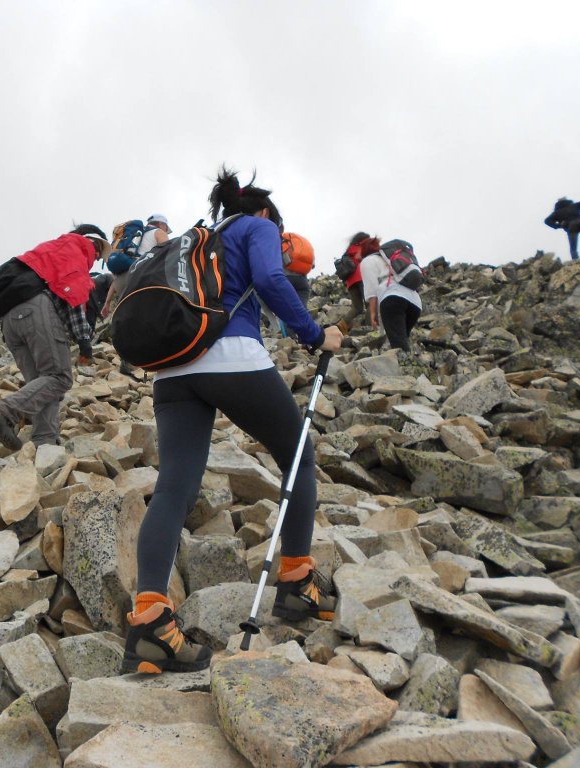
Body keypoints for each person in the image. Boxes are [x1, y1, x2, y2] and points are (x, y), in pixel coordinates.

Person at [120, 168, 343, 675]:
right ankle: (297, 584)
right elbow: (269, 279)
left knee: (174, 485)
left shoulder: (196, 240)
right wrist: (314, 335)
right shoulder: (256, 225)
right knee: (298, 458)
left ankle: (151, 623)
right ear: (266, 215)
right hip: (231, 355)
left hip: (173, 368)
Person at [0, 225, 110, 450]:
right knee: (60, 377)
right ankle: (4, 411)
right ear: (93, 242)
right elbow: (75, 293)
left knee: (41, 383)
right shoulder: (76, 248)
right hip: (36, 311)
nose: (96, 257)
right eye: (98, 251)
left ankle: (44, 442)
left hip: (9, 320)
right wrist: (84, 341)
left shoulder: (46, 251)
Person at [102, 214, 172, 377]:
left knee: (128, 322)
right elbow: (170, 254)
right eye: (166, 228)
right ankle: (156, 360)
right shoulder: (158, 232)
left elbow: (116, 279)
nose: (166, 231)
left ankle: (127, 362)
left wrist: (107, 302)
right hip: (142, 278)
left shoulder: (132, 239)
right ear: (161, 224)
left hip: (122, 281)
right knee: (154, 318)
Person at [360, 240, 422, 352]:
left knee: (399, 346)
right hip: (415, 303)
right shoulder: (389, 258)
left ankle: (406, 367)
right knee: (401, 340)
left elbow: (372, 292)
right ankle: (408, 363)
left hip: (393, 298)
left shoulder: (367, 261)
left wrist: (373, 314)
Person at [340, 232, 380, 327]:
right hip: (362, 277)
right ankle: (371, 329)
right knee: (371, 304)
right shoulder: (363, 248)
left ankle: (340, 327)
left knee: (357, 308)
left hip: (350, 282)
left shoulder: (348, 251)